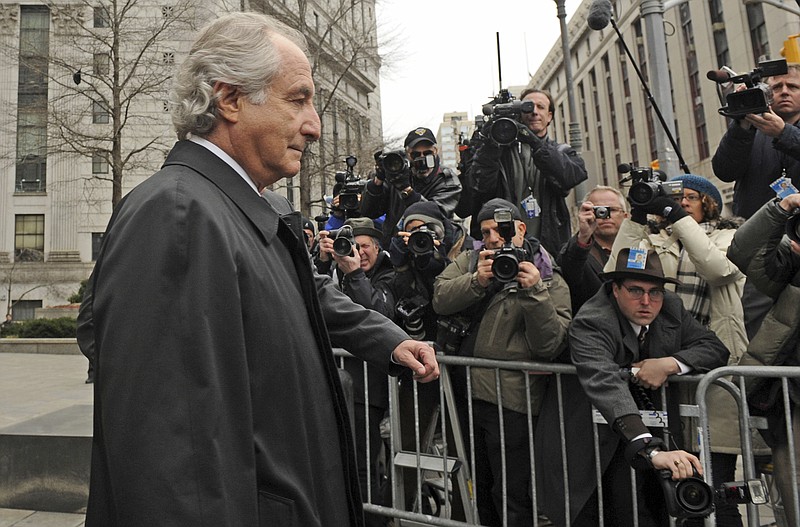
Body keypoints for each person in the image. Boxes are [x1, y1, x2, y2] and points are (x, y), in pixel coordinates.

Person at [79, 13, 439, 526]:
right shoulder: (179, 215)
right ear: (230, 100)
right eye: (298, 99)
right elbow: (175, 463)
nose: (314, 125)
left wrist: (386, 339)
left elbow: (299, 288)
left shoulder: (240, 208)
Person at [605, 174, 753, 526]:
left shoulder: (730, 237)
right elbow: (617, 271)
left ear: (710, 203)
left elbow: (717, 269)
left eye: (690, 197)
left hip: (713, 369)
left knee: (716, 485)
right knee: (677, 489)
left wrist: (675, 215)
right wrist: (637, 219)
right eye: (674, 197)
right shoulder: (657, 240)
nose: (682, 202)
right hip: (662, 370)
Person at [432, 198, 572, 526]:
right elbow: (439, 297)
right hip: (469, 395)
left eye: (501, 230)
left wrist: (534, 290)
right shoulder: (471, 261)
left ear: (521, 229)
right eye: (485, 232)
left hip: (515, 404)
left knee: (512, 494)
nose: (494, 239)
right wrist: (477, 282)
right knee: (475, 486)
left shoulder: (549, 276)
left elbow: (549, 343)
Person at [567, 248, 729, 526]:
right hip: (599, 435)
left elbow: (714, 348)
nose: (646, 301)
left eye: (655, 292)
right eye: (635, 290)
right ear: (615, 289)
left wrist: (670, 364)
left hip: (656, 431)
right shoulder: (592, 320)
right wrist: (648, 447)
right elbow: (606, 383)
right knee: (611, 512)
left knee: (659, 510)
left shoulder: (671, 306)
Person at [317, 216, 395, 527]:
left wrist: (356, 275)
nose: (357, 252)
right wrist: (322, 265)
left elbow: (379, 316)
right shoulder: (331, 271)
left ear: (377, 249)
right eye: (351, 245)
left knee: (363, 464)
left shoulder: (388, 277)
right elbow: (315, 304)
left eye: (364, 246)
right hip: (332, 382)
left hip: (367, 391)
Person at [727, 192, 800, 527]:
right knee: (795, 495)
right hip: (794, 401)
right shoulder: (792, 265)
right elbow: (743, 252)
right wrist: (782, 207)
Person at [468, 88, 587, 254]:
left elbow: (572, 177)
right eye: (528, 107)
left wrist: (534, 142)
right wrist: (490, 144)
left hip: (548, 246)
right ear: (519, 113)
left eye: (541, 107)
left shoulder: (562, 151)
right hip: (501, 246)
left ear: (550, 116)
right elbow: (480, 187)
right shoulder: (500, 153)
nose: (534, 112)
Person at [711, 64, 800, 220]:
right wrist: (742, 124)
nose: (785, 92)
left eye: (793, 87)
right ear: (765, 93)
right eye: (777, 87)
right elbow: (724, 171)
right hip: (757, 233)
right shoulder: (749, 131)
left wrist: (783, 133)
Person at [361, 127, 462, 248]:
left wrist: (406, 190)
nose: (422, 158)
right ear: (407, 155)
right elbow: (369, 212)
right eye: (416, 154)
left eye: (427, 153)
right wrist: (378, 180)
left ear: (436, 151)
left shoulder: (447, 179)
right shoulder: (397, 175)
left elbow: (434, 215)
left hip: (431, 248)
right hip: (395, 246)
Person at [557, 185, 628, 314]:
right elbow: (570, 271)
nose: (606, 216)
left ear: (625, 215)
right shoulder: (577, 250)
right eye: (599, 210)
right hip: (593, 327)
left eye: (612, 209)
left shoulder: (638, 248)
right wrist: (584, 236)